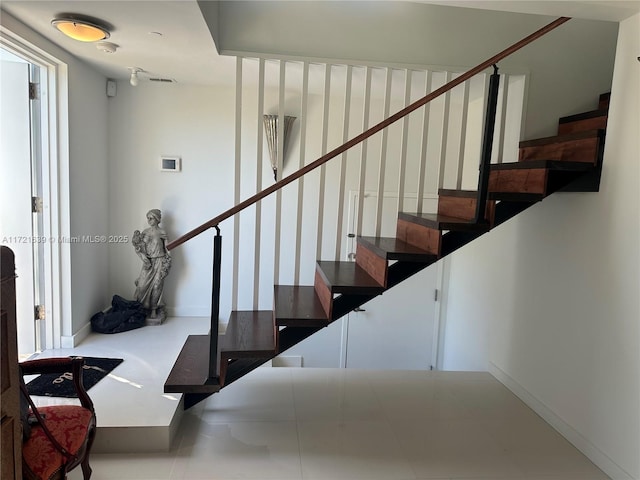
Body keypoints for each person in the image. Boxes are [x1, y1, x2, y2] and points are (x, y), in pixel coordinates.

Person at [132, 209, 171, 319]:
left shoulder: (162, 232)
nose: (148, 220)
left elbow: (168, 248)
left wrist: (167, 262)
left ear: (157, 219)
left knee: (157, 285)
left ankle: (154, 309)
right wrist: (139, 247)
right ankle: (141, 308)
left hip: (160, 261)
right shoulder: (145, 232)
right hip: (148, 262)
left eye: (151, 218)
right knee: (141, 285)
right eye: (147, 218)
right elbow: (141, 248)